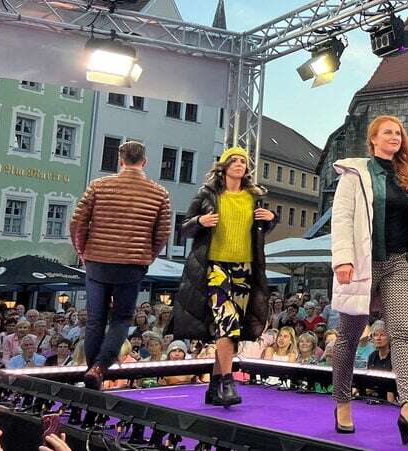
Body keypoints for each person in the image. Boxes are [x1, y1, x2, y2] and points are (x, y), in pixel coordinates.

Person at [328, 116, 408, 441]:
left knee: (402, 335)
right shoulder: (355, 175)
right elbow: (343, 218)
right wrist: (342, 259)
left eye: (399, 133)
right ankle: (342, 401)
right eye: (388, 132)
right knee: (348, 336)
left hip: (401, 262)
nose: (395, 137)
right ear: (373, 139)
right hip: (363, 263)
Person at [169, 146, 277, 408]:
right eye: (235, 160)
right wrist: (200, 222)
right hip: (215, 267)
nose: (240, 164)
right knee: (227, 323)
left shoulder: (254, 197)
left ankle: (214, 386)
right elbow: (183, 228)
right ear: (224, 166)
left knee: (231, 329)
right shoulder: (208, 194)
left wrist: (270, 220)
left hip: (245, 267)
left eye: (244, 161)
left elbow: (261, 228)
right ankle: (228, 381)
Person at [69, 140, 172, 391]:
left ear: (120, 160)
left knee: (95, 319)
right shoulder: (159, 193)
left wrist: (82, 250)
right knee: (121, 319)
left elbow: (77, 222)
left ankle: (92, 371)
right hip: (131, 263)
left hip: (97, 260)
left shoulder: (99, 186)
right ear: (144, 162)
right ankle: (99, 368)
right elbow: (162, 233)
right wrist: (148, 256)